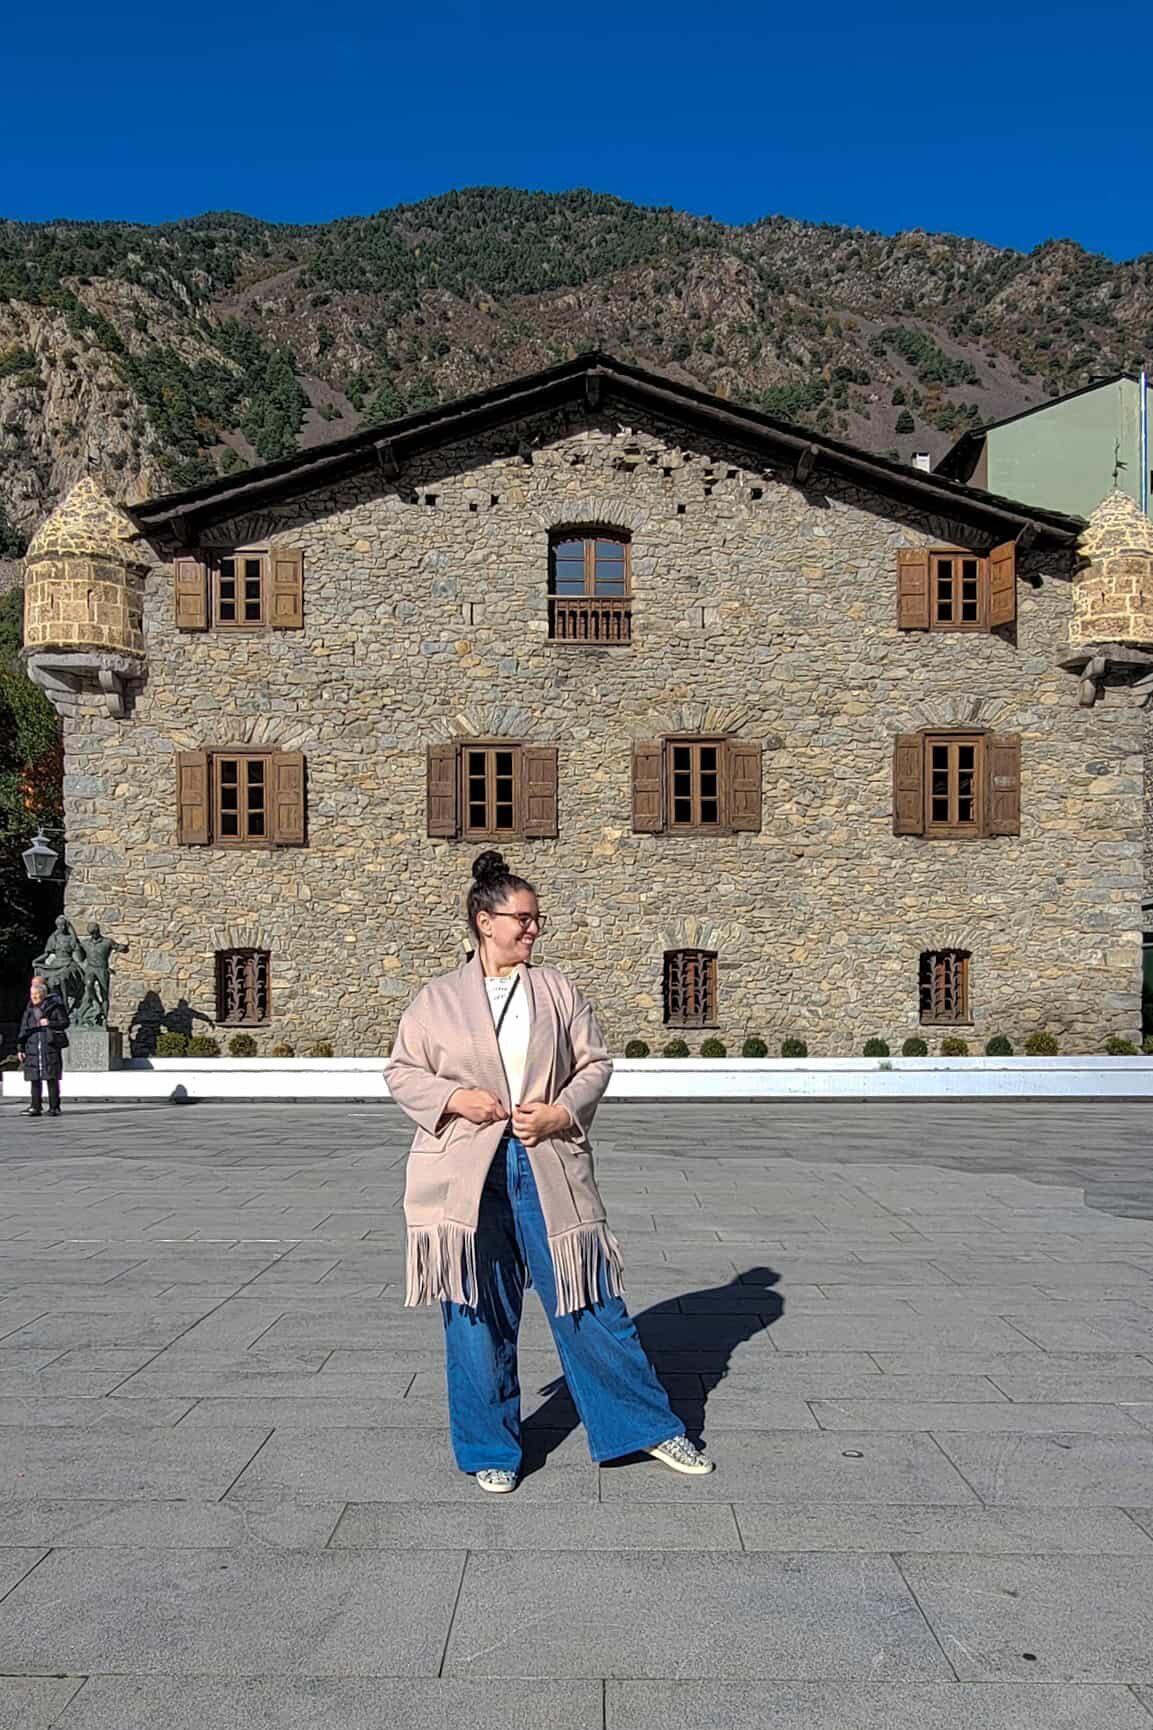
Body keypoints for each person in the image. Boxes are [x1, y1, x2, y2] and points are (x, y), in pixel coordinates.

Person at [385, 850, 714, 1494]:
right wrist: (456, 1101)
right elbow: (402, 1071)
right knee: (473, 1306)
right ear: (485, 922)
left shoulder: (557, 991)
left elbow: (595, 1063)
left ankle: (643, 1427)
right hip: (464, 1171)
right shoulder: (437, 1000)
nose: (534, 930)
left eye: (538, 921)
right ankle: (490, 1447)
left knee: (586, 1295)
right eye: (523, 919)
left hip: (545, 1163)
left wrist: (561, 1112)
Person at [16, 974, 70, 1118]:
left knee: (51, 1077)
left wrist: (50, 1023)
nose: (33, 997)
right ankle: (35, 1106)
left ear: (43, 994)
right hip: (32, 1046)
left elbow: (64, 1022)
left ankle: (54, 1107)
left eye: (36, 994)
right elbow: (23, 1030)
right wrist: (20, 1048)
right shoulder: (28, 1010)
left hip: (49, 1046)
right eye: (32, 994)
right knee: (34, 1078)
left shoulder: (55, 1007)